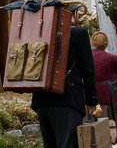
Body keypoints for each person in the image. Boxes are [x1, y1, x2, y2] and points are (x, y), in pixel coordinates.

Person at [32, 16, 100, 148]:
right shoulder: (78, 33)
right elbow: (88, 70)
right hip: (68, 100)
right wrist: (92, 100)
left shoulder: (38, 32)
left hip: (41, 101)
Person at [91, 31, 117, 138]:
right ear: (106, 43)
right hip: (106, 91)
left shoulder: (86, 57)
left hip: (89, 91)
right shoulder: (112, 57)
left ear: (93, 42)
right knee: (108, 117)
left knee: (91, 117)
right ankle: (111, 139)